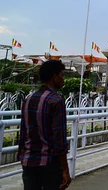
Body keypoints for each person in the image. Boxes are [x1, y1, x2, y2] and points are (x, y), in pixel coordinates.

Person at [18, 60, 70, 190]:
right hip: (49, 163)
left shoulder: (28, 99)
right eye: (61, 75)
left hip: (29, 161)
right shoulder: (56, 101)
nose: (63, 79)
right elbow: (59, 138)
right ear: (54, 77)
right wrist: (65, 169)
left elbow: (23, 132)